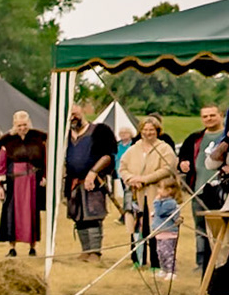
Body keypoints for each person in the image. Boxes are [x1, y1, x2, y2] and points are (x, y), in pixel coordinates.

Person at [119, 112, 180, 277]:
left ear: (157, 131)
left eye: (151, 130)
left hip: (156, 195)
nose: (148, 133)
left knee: (155, 229)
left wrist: (145, 179)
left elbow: (167, 168)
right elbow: (122, 167)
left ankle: (156, 262)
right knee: (136, 228)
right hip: (136, 195)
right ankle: (137, 260)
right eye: (145, 130)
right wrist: (132, 179)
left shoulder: (164, 148)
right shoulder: (134, 148)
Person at [61, 101, 117, 262]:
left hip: (94, 181)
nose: (73, 118)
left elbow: (107, 155)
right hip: (73, 182)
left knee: (93, 216)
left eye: (75, 114)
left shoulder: (99, 131)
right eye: (70, 116)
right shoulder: (65, 136)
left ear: (82, 112)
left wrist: (93, 172)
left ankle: (95, 252)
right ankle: (85, 250)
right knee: (78, 217)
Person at [178, 103, 226, 271]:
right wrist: (183, 163)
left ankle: (221, 265)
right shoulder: (194, 138)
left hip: (222, 191)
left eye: (212, 115)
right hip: (199, 190)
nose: (208, 119)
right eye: (205, 116)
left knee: (222, 230)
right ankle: (201, 263)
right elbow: (183, 157)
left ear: (220, 115)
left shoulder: (225, 137)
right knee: (200, 228)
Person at [0, 110, 47, 258]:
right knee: (12, 214)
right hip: (14, 183)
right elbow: (1, 166)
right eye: (19, 125)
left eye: (24, 125)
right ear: (14, 125)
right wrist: (0, 186)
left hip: (32, 183)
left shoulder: (38, 140)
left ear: (29, 123)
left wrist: (44, 176)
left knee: (32, 213)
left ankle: (32, 247)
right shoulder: (7, 143)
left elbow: (44, 161)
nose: (22, 128)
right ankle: (12, 248)